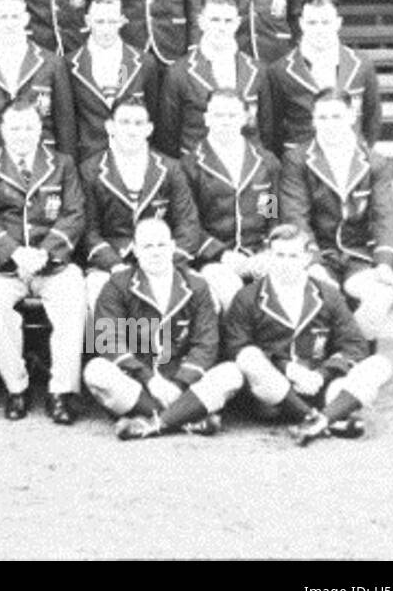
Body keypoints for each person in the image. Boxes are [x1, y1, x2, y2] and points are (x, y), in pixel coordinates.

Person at [0, 100, 86, 423]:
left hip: (52, 262)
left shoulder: (64, 164)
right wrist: (13, 251)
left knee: (74, 295)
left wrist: (46, 252)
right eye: (15, 127)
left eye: (29, 127)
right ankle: (16, 387)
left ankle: (61, 391)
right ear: (2, 131)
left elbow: (75, 214)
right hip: (4, 266)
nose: (22, 134)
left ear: (41, 130)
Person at [222, 225, 393, 445]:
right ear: (269, 257)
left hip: (319, 386)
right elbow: (235, 346)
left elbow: (355, 345)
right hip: (274, 391)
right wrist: (288, 368)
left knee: (380, 364)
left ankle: (319, 420)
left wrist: (321, 374)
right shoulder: (248, 297)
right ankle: (321, 418)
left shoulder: (327, 294)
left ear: (305, 259)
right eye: (279, 256)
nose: (286, 263)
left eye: (293, 256)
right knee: (248, 357)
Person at [83, 218, 243, 440]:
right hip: (139, 383)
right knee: (96, 370)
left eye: (161, 245)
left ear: (172, 247)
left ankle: (153, 424)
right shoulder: (117, 285)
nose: (155, 252)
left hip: (184, 383)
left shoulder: (196, 285)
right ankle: (186, 418)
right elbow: (108, 341)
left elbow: (206, 344)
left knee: (232, 373)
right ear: (136, 251)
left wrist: (180, 383)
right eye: (148, 246)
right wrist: (149, 378)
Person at [278, 88, 393, 348]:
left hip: (359, 254)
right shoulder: (296, 160)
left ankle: (354, 347)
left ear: (351, 116)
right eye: (322, 118)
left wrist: (385, 262)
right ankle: (345, 350)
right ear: (313, 120)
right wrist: (310, 260)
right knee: (320, 289)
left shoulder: (375, 162)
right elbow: (294, 214)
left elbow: (384, 215)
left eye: (336, 117)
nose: (329, 124)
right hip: (319, 252)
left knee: (381, 294)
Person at [79, 97, 202, 313]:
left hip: (161, 258)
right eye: (124, 122)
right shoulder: (90, 170)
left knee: (195, 289)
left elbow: (187, 224)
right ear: (110, 127)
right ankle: (111, 347)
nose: (131, 130)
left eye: (138, 124)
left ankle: (159, 347)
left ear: (149, 129)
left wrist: (167, 261)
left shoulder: (170, 168)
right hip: (113, 261)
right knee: (98, 289)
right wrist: (114, 264)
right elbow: (89, 230)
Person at [181, 88, 281, 312]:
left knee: (282, 283)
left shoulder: (265, 162)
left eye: (232, 115)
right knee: (231, 290)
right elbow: (188, 224)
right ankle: (238, 346)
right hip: (214, 258)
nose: (225, 121)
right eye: (218, 115)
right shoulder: (189, 166)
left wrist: (268, 251)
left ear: (246, 118)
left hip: (258, 253)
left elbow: (271, 212)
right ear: (206, 118)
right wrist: (220, 254)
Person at [0, 0, 77, 161]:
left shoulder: (52, 63)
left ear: (26, 18)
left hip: (42, 160)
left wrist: (66, 169)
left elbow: (65, 123)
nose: (9, 23)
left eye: (15, 17)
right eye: (3, 17)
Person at [155, 0, 273, 159]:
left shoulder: (258, 70)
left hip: (247, 168)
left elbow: (266, 130)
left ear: (237, 23)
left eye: (228, 21)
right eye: (215, 20)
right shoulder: (178, 73)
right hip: (197, 169)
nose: (221, 27)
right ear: (201, 22)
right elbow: (167, 135)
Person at [266, 0, 381, 155]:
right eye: (312, 22)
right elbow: (271, 127)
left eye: (326, 22)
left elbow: (372, 117)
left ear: (338, 23)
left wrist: (361, 150)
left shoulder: (362, 64)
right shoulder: (280, 70)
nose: (319, 29)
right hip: (300, 164)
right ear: (301, 24)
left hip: (350, 159)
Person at [65, 0, 159, 164]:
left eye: (112, 21)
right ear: (88, 21)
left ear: (122, 21)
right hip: (88, 159)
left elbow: (153, 114)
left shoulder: (143, 63)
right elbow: (68, 122)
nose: (106, 29)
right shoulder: (70, 64)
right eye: (100, 22)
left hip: (133, 159)